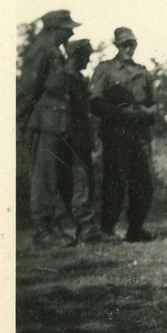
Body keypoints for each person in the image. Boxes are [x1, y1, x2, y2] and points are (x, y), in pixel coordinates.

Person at [16, 9, 81, 247]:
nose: (72, 32)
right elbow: (28, 89)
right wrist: (17, 121)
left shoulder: (53, 51)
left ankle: (51, 227)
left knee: (54, 177)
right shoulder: (42, 51)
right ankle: (44, 231)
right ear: (54, 29)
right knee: (44, 179)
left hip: (55, 125)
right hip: (43, 125)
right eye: (67, 29)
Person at [90, 27, 158, 242]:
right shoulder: (105, 70)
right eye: (124, 45)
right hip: (115, 133)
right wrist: (121, 112)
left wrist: (149, 112)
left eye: (132, 44)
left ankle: (135, 228)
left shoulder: (143, 71)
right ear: (117, 46)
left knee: (143, 183)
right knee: (114, 182)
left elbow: (153, 102)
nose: (128, 48)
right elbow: (95, 103)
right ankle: (107, 229)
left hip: (139, 135)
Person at [60, 39, 104, 244]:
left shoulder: (77, 78)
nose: (89, 59)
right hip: (72, 140)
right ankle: (86, 230)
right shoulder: (66, 79)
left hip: (81, 139)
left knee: (83, 183)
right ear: (77, 56)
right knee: (80, 184)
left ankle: (85, 229)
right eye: (86, 55)